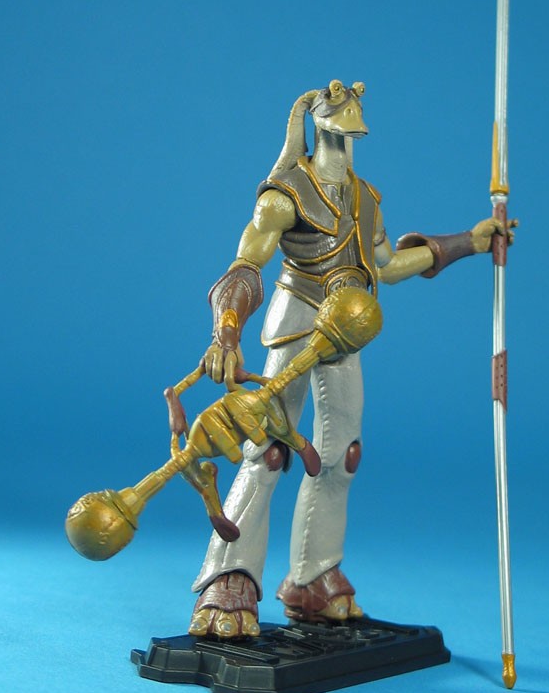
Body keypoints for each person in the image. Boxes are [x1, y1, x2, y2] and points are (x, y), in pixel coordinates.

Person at [189, 80, 515, 638]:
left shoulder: (364, 199)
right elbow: (245, 265)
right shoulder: (284, 195)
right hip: (295, 325)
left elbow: (387, 265)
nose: (348, 134)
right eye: (341, 122)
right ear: (319, 123)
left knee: (342, 455)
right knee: (268, 449)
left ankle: (313, 576)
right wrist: (226, 333)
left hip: (346, 332)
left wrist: (471, 241)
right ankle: (229, 578)